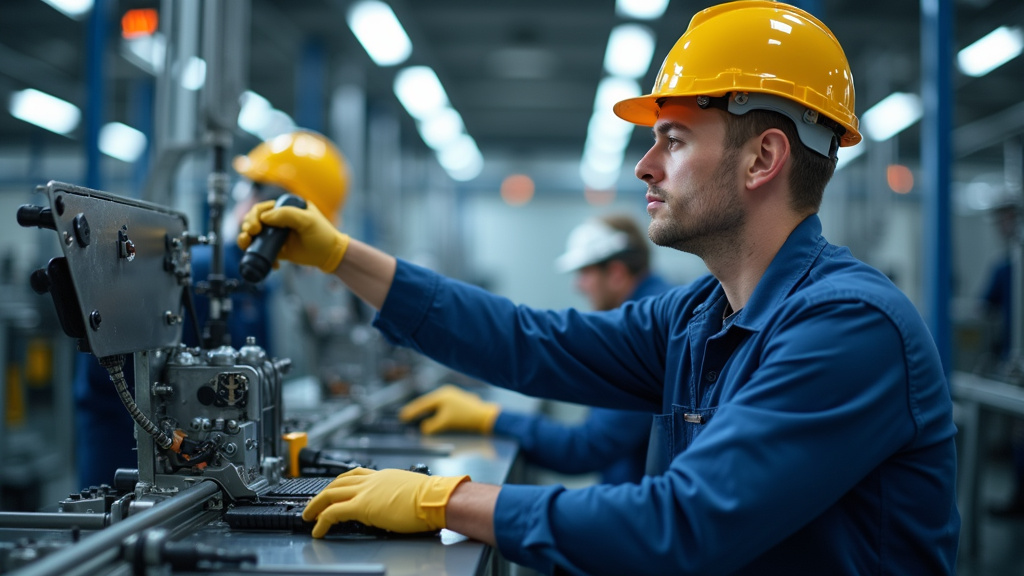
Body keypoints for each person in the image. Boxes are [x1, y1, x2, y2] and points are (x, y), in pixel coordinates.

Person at [238, 2, 960, 574]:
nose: (645, 166)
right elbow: (530, 342)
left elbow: (683, 526)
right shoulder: (700, 317)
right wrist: (342, 257)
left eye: (673, 139)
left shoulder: (849, 327)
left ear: (762, 159)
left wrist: (446, 500)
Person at [73, 130, 349, 489]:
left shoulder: (252, 284)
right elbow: (121, 383)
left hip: (194, 471)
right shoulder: (200, 273)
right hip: (133, 467)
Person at [398, 214, 672, 485]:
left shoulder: (646, 332)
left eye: (585, 273)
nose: (578, 285)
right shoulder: (651, 311)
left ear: (616, 273)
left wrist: (490, 418)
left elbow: (586, 447)